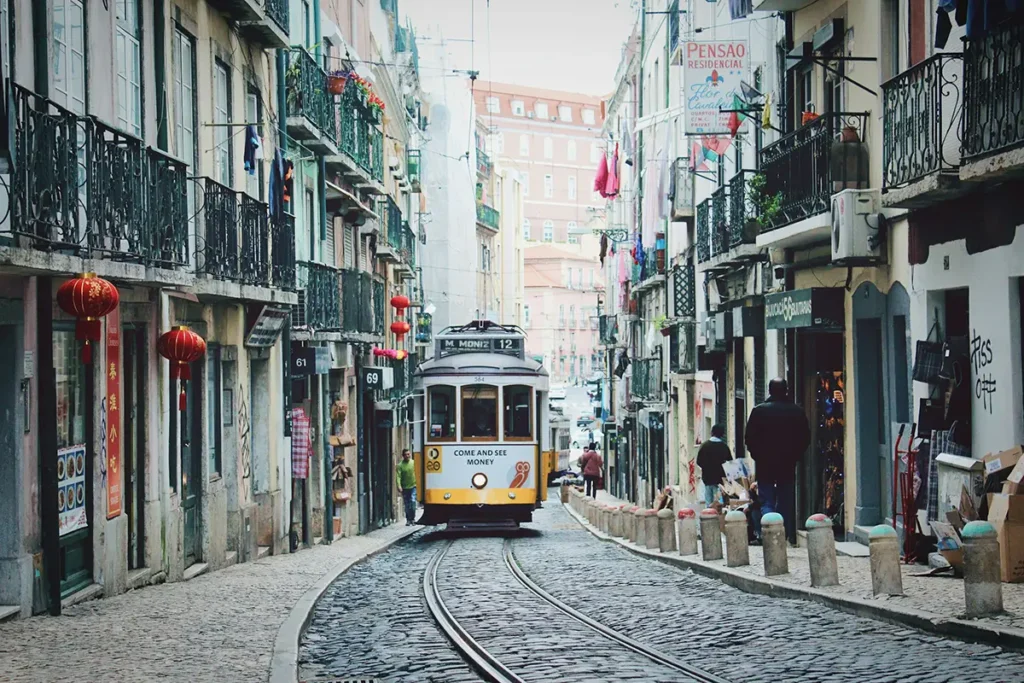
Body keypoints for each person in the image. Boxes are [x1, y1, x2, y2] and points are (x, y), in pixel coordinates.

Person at [744, 378, 811, 545]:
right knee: (785, 499)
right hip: (787, 463)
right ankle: (782, 534)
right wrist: (795, 455)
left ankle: (769, 533)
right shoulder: (796, 411)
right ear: (786, 390)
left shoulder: (759, 411)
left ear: (769, 390)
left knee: (766, 500)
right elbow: (805, 438)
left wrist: (757, 455)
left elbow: (749, 438)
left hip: (765, 464)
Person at [696, 424, 731, 507]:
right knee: (719, 503)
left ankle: (708, 516)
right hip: (720, 480)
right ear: (722, 434)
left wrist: (706, 467)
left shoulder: (704, 446)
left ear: (711, 432)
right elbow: (730, 462)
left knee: (708, 502)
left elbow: (699, 462)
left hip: (707, 478)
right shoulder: (724, 447)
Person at [396, 448, 417, 526]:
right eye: (406, 455)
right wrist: (399, 485)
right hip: (405, 487)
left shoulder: (414, 463)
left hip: (413, 486)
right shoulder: (400, 465)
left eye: (408, 454)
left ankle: (413, 518)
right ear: (403, 456)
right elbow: (398, 476)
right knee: (407, 504)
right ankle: (408, 519)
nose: (407, 456)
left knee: (413, 501)